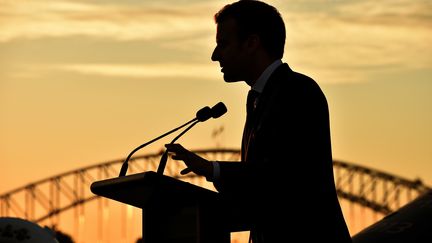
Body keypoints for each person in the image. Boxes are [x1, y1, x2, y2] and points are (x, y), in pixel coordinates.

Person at [165, 0, 352, 242]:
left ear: (252, 43)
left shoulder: (297, 91)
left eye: (223, 44)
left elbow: (283, 178)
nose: (214, 55)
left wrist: (213, 169)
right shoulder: (260, 97)